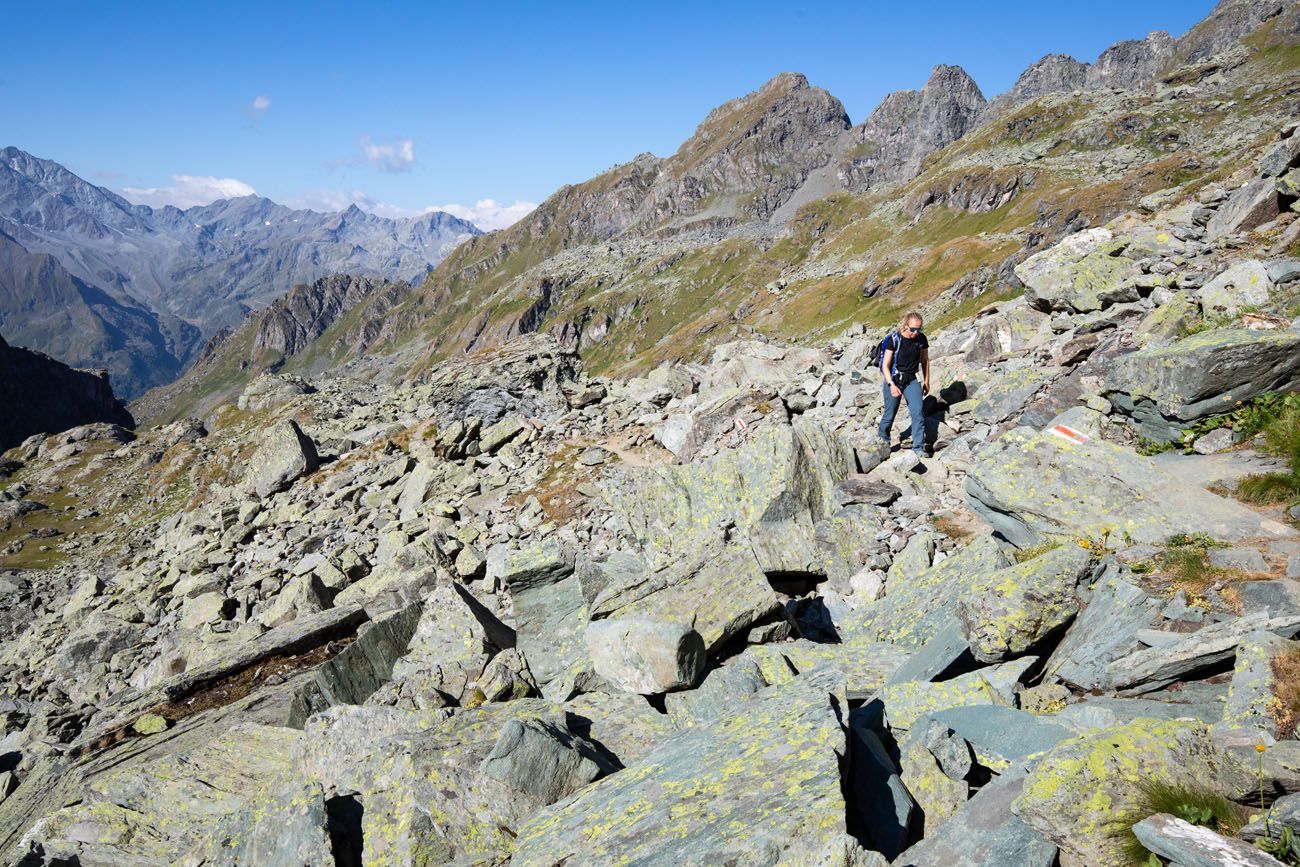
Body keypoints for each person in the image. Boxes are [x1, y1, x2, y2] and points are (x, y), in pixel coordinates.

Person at [877, 311, 931, 459]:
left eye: (919, 329)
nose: (916, 332)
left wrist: (926, 381)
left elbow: (925, 361)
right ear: (905, 326)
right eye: (913, 329)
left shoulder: (921, 340)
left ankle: (918, 447)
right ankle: (883, 438)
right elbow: (885, 366)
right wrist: (891, 385)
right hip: (894, 379)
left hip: (912, 379)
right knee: (890, 413)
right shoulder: (893, 340)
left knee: (917, 412)